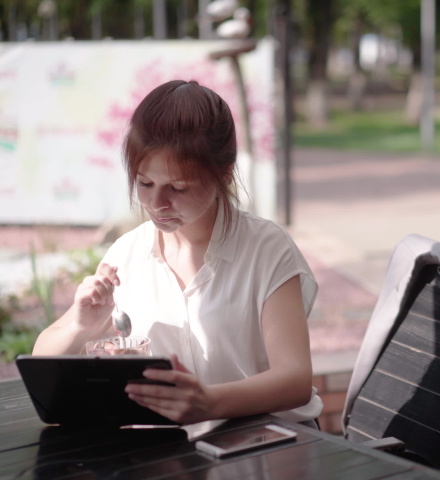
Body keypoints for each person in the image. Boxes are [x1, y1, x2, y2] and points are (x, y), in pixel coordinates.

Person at [32, 80, 322, 426]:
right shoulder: (128, 254)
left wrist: (209, 403)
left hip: (271, 440)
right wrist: (80, 326)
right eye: (145, 183)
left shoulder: (266, 248)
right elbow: (41, 360)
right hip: (175, 446)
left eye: (178, 187)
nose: (157, 203)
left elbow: (295, 380)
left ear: (224, 174)